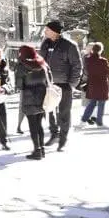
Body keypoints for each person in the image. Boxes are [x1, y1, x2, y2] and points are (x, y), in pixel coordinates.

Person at [39, 20, 82, 151]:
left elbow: (77, 66)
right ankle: (54, 134)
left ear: (55, 31)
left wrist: (72, 84)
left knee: (63, 112)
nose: (45, 31)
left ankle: (63, 137)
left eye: (47, 29)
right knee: (49, 110)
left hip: (64, 84)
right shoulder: (45, 44)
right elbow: (41, 62)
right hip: (48, 83)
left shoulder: (69, 45)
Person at [15, 45, 49, 160]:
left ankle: (37, 150)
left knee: (32, 125)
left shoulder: (22, 65)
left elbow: (19, 85)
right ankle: (42, 149)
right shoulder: (42, 63)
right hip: (42, 97)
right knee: (39, 124)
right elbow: (49, 78)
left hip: (29, 98)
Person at [80, 42, 109, 127]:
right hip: (102, 84)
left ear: (92, 50)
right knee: (101, 104)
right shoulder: (103, 61)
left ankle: (83, 120)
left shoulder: (88, 60)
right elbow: (107, 73)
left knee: (91, 104)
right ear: (101, 50)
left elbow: (86, 71)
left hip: (92, 84)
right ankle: (99, 122)